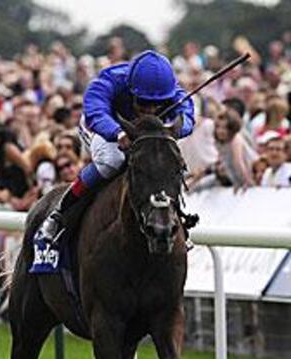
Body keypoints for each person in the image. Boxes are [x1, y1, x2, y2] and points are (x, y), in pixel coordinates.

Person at [38, 50, 195, 243]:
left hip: (140, 132)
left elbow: (187, 116)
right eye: (144, 103)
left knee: (162, 161)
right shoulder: (107, 82)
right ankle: (60, 214)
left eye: (158, 105)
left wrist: (174, 129)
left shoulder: (171, 90)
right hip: (101, 126)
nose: (151, 110)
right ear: (130, 89)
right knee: (112, 160)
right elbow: (96, 112)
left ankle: (177, 218)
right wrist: (117, 132)